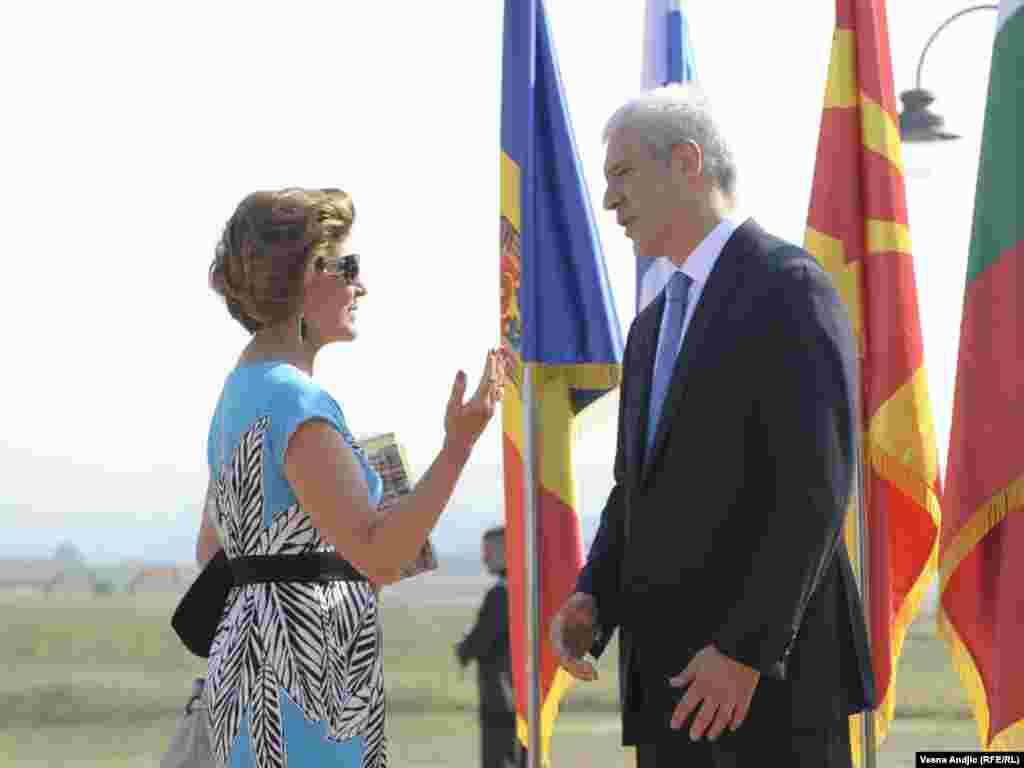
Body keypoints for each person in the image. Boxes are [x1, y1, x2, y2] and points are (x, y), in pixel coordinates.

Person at [548, 85, 875, 767]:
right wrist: (594, 596)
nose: (609, 200)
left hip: (768, 693)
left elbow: (814, 489)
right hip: (671, 691)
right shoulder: (648, 328)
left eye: (622, 174)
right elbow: (634, 489)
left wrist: (746, 651)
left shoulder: (788, 287)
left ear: (688, 162)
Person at [196, 187, 508, 768]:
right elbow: (382, 557)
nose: (361, 286)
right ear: (308, 272)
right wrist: (459, 446)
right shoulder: (297, 401)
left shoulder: (238, 394)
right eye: (349, 266)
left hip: (253, 673)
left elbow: (211, 550)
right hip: (309, 676)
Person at [455, 526, 524, 768]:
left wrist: (464, 648)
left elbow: (482, 639)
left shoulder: (500, 594)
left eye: (490, 550)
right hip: (522, 691)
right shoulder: (526, 590)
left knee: (498, 756)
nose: (484, 558)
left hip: (500, 691)